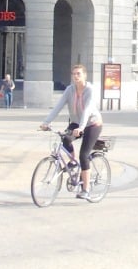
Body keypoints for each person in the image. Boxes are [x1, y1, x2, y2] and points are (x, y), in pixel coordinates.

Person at [40, 64, 103, 199]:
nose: (75, 76)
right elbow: (58, 106)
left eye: (78, 74)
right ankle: (73, 162)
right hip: (76, 122)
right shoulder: (70, 90)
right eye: (73, 74)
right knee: (66, 139)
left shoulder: (90, 90)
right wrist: (46, 122)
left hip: (92, 123)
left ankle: (85, 189)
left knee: (84, 155)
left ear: (84, 75)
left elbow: (87, 110)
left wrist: (81, 128)